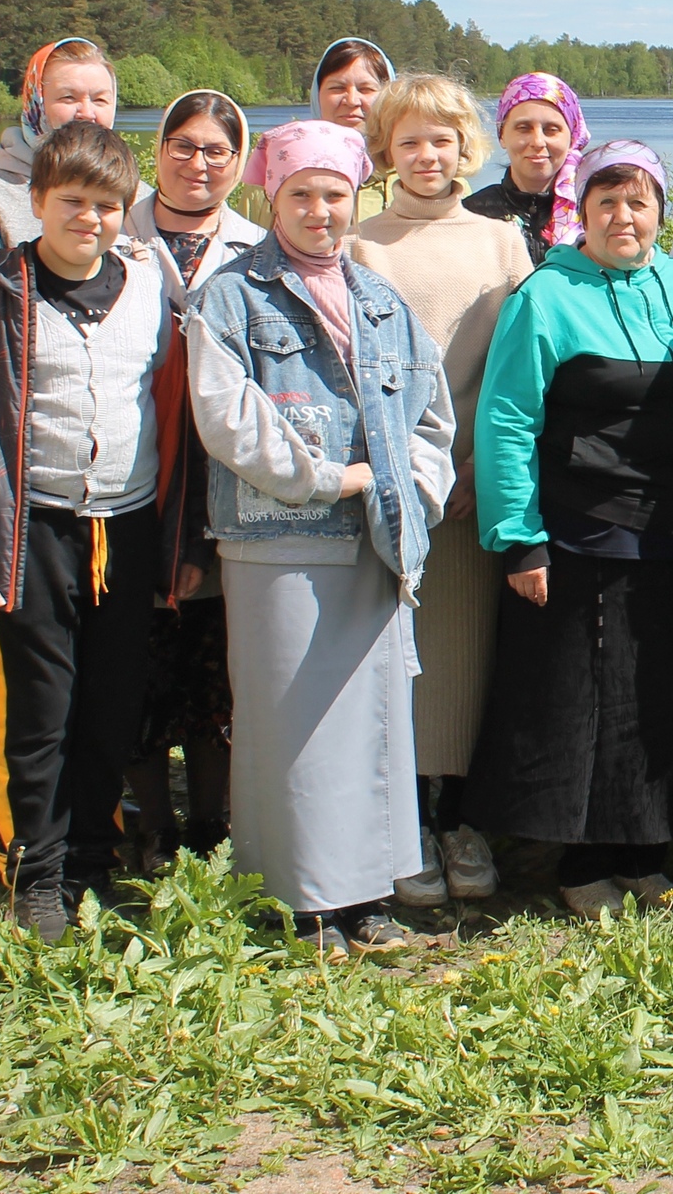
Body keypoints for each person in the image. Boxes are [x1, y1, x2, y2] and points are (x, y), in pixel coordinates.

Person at [467, 142, 673, 916]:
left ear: (660, 212)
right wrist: (517, 535)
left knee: (662, 695)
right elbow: (505, 419)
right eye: (606, 202)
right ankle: (581, 864)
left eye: (637, 202)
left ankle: (645, 853)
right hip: (580, 533)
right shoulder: (546, 297)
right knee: (585, 705)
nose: (622, 217)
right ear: (582, 212)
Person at [184, 120, 456, 957]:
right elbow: (227, 419)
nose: (319, 210)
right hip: (280, 542)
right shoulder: (230, 295)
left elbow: (431, 419)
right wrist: (325, 479)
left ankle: (367, 894)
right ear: (273, 196)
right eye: (301, 193)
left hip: (375, 540)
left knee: (374, 724)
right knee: (292, 726)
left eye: (334, 195)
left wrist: (412, 489)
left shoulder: (380, 300)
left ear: (354, 199)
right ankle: (301, 903)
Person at [0, 122, 187, 940]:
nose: (89, 219)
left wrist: (185, 543)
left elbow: (179, 411)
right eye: (71, 201)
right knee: (40, 713)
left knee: (110, 708)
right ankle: (35, 876)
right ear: (36, 202)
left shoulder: (151, 287)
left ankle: (92, 865)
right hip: (31, 529)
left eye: (107, 204)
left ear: (127, 211)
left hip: (129, 525)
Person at [349, 75, 535, 906]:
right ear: (385, 150)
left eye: (444, 139)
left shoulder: (501, 242)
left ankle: (462, 819)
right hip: (384, 487)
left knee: (467, 662)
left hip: (469, 489)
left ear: (469, 148)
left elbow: (518, 371)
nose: (429, 156)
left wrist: (477, 472)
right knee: (393, 660)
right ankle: (401, 825)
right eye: (410, 140)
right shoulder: (359, 243)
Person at [121, 89, 265, 875]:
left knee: (215, 659)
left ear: (239, 162)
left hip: (219, 479)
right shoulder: (116, 234)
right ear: (158, 151)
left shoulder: (257, 248)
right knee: (136, 657)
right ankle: (152, 825)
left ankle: (212, 823)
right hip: (135, 473)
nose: (198, 162)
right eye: (183, 144)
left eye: (216, 149)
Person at [0, 37, 125, 299]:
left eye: (99, 100)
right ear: (34, 102)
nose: (86, 112)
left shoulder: (136, 197)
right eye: (68, 97)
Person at [466, 73, 589, 267]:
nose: (538, 142)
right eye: (523, 128)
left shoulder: (592, 213)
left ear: (572, 137)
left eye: (551, 130)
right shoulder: (472, 214)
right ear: (502, 136)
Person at [311, 39, 398, 223]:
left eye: (366, 89)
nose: (351, 100)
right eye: (337, 88)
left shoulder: (416, 175)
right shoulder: (278, 176)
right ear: (317, 95)